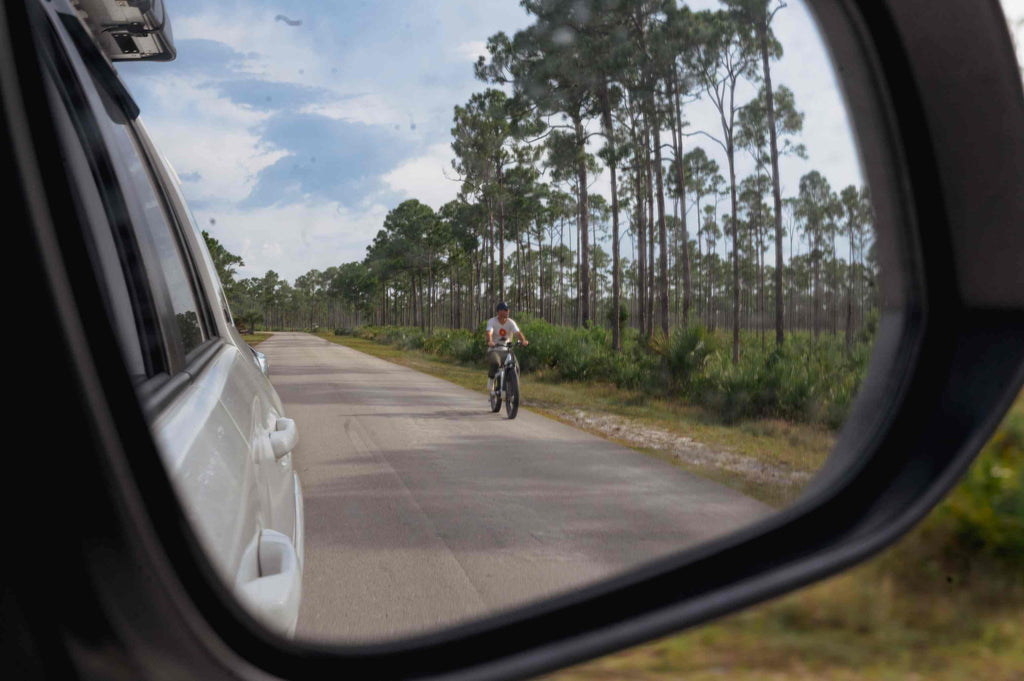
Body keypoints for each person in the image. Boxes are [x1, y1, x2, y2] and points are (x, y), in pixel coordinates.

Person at [486, 302, 528, 395]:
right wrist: (490, 341)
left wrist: (523, 340)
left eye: (507, 309)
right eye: (505, 310)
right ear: (499, 311)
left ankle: (513, 386)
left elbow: (517, 332)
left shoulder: (511, 322)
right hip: (494, 349)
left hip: (507, 350)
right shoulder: (492, 321)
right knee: (496, 363)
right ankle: (491, 379)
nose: (507, 311)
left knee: (515, 366)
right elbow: (489, 332)